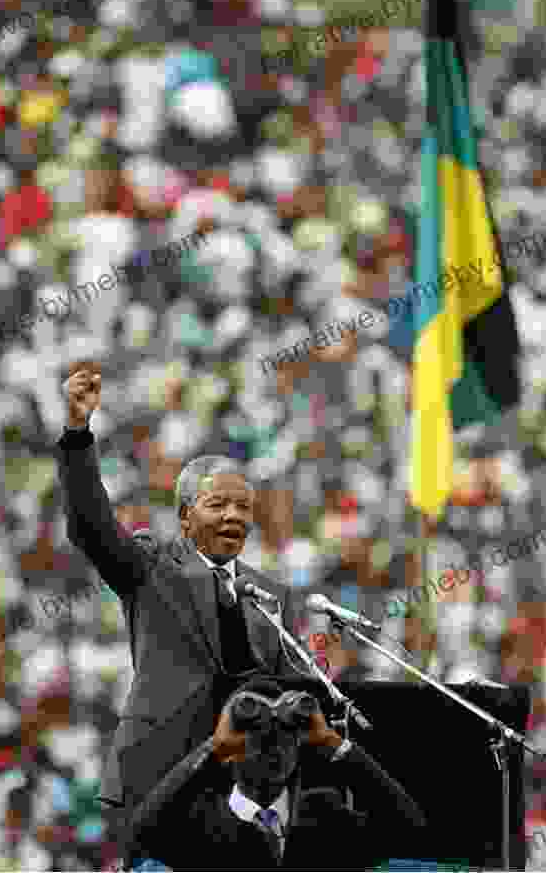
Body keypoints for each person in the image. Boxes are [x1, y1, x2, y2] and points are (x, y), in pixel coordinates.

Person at [56, 363, 299, 863]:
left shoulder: (270, 594)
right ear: (185, 516)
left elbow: (287, 685)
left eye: (243, 507)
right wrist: (77, 433)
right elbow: (90, 524)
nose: (234, 516)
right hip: (158, 780)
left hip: (241, 792)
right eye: (218, 504)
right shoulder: (150, 568)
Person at [129, 674, 428, 870]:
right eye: (257, 733)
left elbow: (407, 828)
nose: (274, 743)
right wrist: (212, 748)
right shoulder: (200, 822)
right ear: (229, 747)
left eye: (286, 731)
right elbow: (144, 830)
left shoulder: (326, 815)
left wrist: (334, 744)